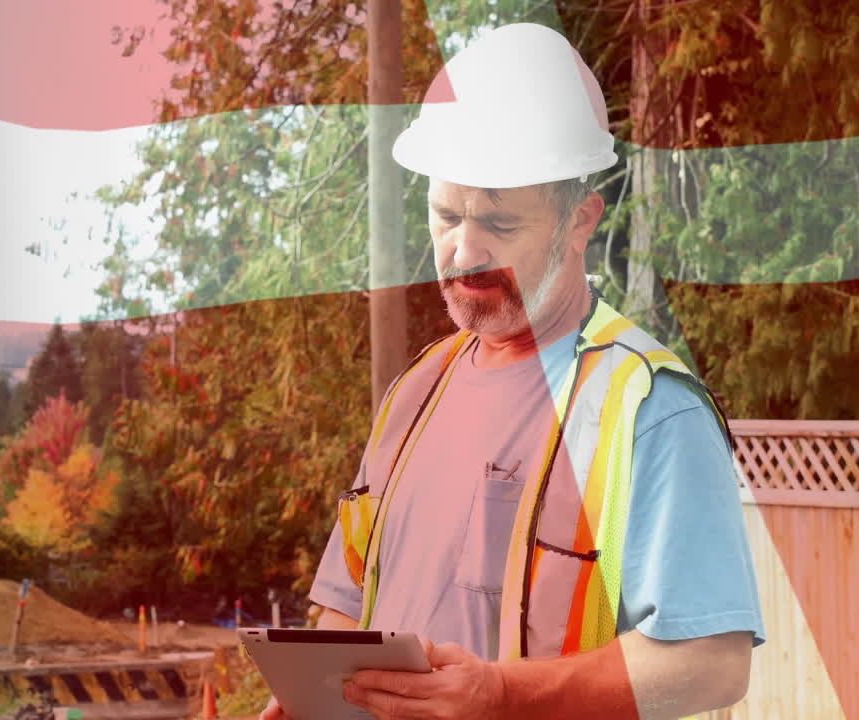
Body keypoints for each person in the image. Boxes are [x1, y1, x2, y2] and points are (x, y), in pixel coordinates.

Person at [262, 22, 764, 720]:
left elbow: (712, 662)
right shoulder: (416, 393)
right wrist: (317, 695)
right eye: (446, 217)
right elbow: (348, 604)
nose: (464, 251)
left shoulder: (648, 408)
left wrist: (500, 694)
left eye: (499, 225)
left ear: (580, 221)